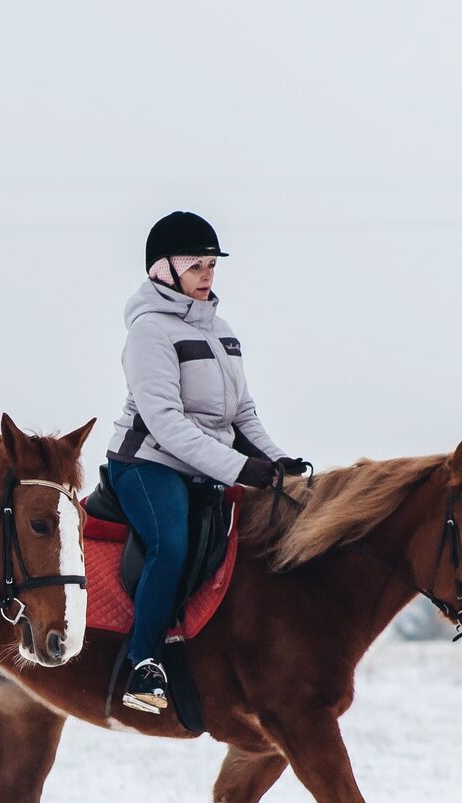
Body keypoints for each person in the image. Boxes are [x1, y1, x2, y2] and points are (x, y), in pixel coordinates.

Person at [106, 211, 309, 714]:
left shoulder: (223, 331)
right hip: (148, 464)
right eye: (196, 265)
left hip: (207, 464)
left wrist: (278, 461)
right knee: (170, 543)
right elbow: (166, 424)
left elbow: (243, 415)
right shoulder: (149, 333)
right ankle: (143, 664)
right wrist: (241, 469)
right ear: (162, 270)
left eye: (211, 265)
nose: (207, 274)